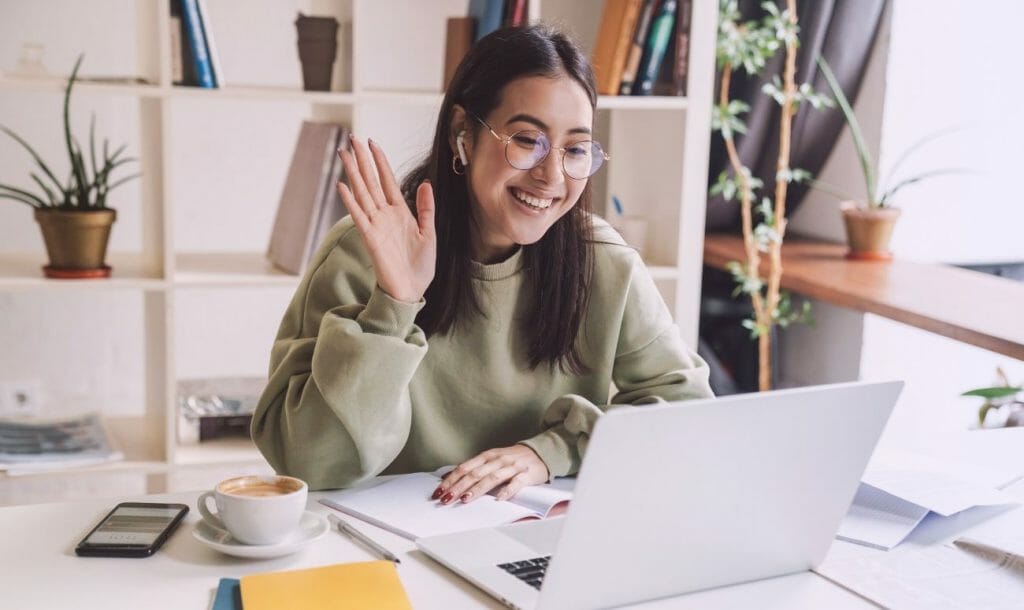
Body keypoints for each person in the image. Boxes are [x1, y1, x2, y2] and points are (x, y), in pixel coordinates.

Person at [251, 24, 712, 505]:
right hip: (392, 545)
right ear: (463, 135)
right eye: (526, 139)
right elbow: (310, 464)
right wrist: (395, 304)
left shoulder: (603, 261)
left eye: (575, 149)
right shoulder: (362, 251)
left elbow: (689, 415)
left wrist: (553, 451)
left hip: (542, 534)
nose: (552, 175)